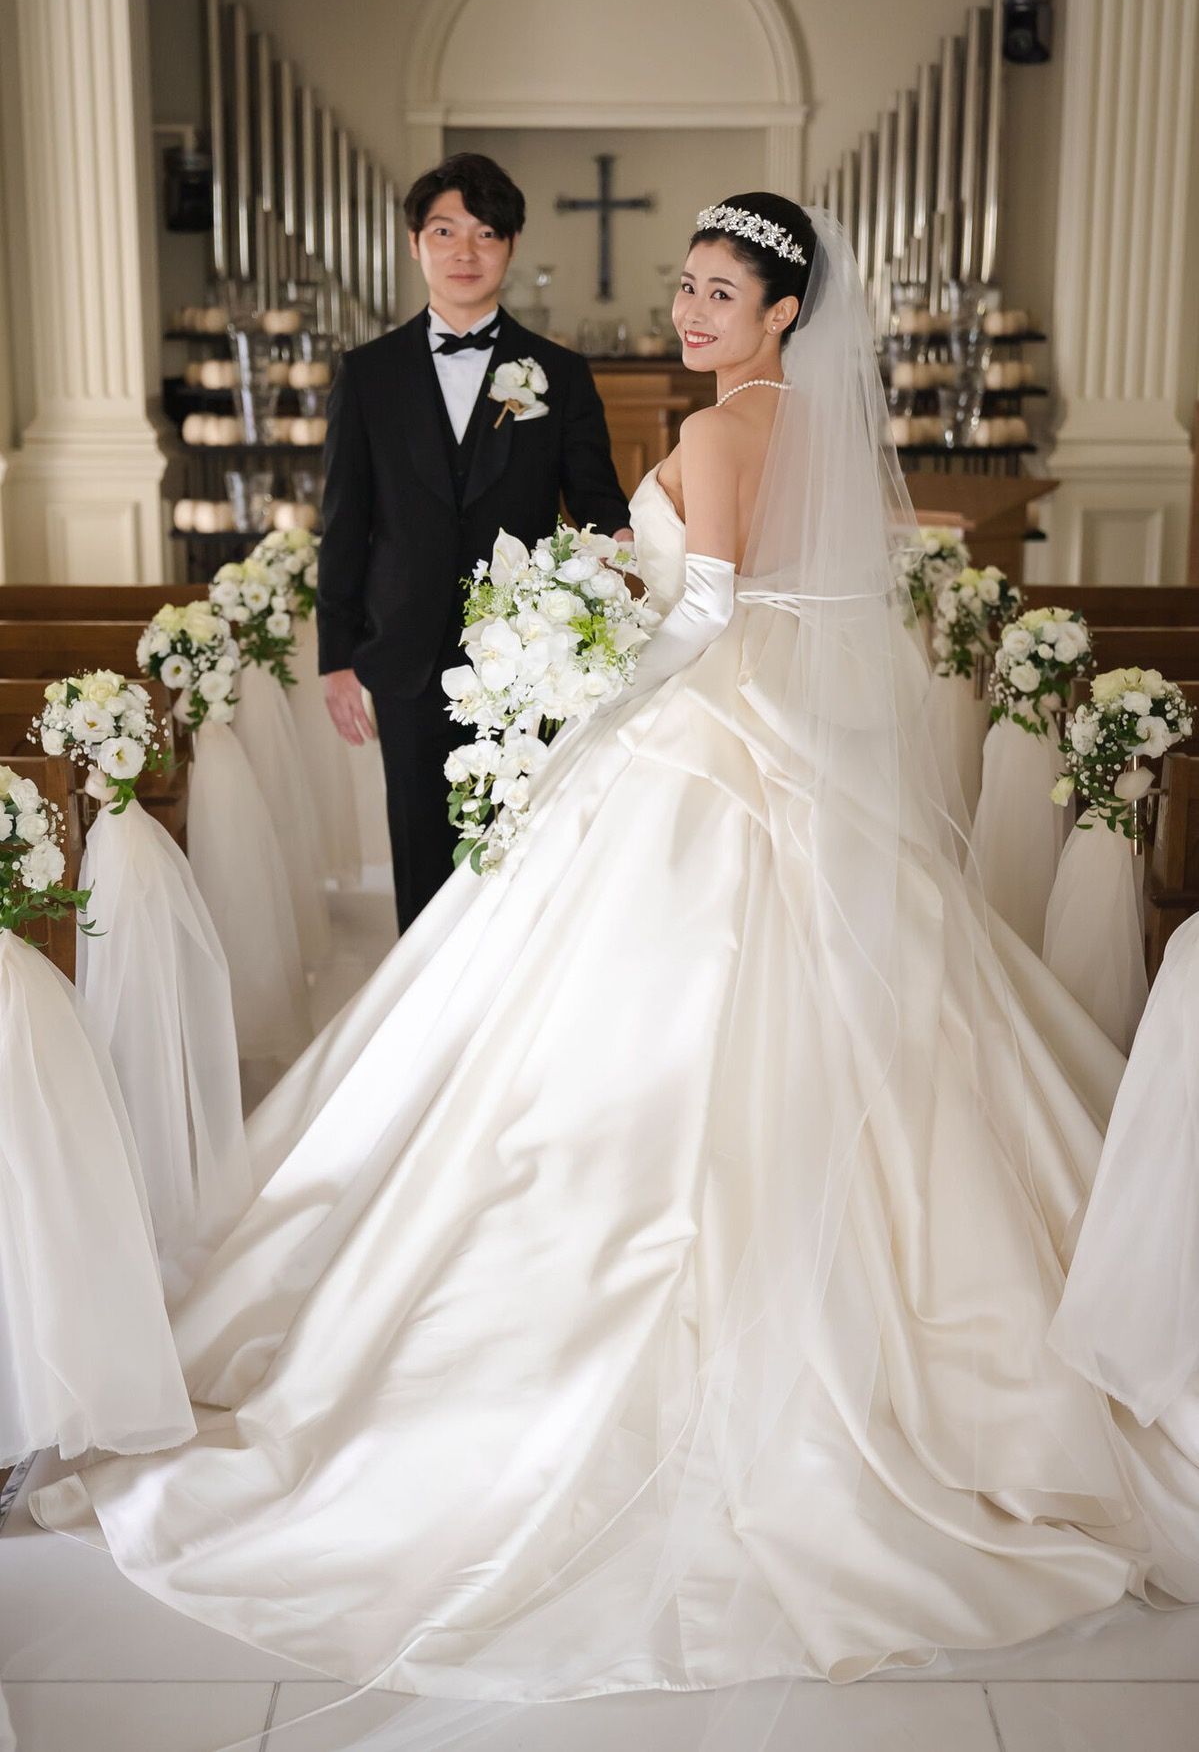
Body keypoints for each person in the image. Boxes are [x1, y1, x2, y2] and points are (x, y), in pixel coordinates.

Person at [30, 196, 1199, 1750]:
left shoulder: (716, 432)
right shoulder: (808, 432)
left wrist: (578, 686)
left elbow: (702, 618)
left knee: (596, 1048)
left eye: (720, 293)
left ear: (784, 313)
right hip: (796, 772)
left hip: (697, 766)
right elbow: (774, 600)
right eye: (686, 287)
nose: (691, 312)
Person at [317, 152, 631, 928]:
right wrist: (335, 656)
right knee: (420, 851)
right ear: (414, 243)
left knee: (521, 861)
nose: (465, 251)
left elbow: (597, 507)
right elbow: (344, 520)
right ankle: (425, 1000)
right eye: (444, 231)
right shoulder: (367, 374)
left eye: (485, 233)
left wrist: (614, 585)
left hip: (527, 659)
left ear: (511, 245)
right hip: (405, 654)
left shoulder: (559, 372)